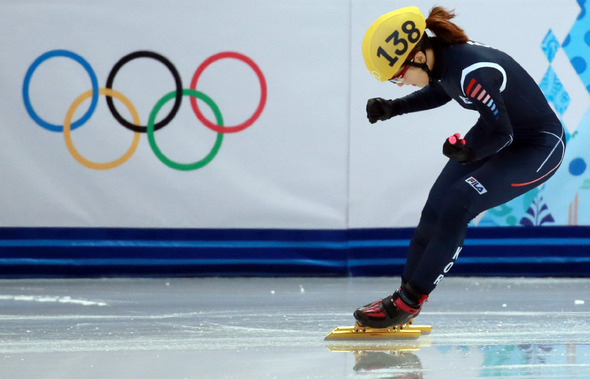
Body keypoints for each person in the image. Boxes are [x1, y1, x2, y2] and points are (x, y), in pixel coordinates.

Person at [354, 6, 566, 328]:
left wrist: (469, 152)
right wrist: (395, 108)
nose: (398, 83)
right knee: (435, 206)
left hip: (537, 147)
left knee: (458, 202)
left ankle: (410, 301)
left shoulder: (471, 71)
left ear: (420, 57)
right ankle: (402, 297)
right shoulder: (445, 61)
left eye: (398, 76)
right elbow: (442, 88)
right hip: (498, 134)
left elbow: (503, 134)